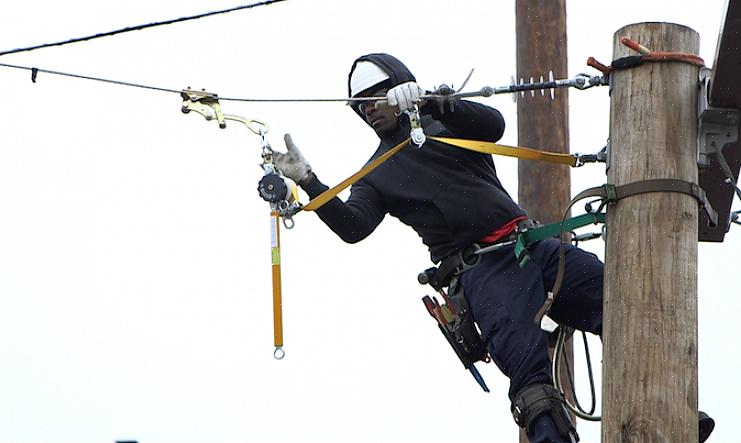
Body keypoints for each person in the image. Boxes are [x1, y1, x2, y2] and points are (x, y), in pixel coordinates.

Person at [272, 53, 710, 443]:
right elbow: (353, 226)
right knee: (530, 374)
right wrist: (308, 181)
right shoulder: (377, 172)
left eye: (375, 96)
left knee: (624, 307)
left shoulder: (447, 122)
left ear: (399, 86)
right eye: (360, 105)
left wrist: (431, 100)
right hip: (482, 272)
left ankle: (674, 416)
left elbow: (492, 125)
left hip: (531, 245)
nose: (369, 109)